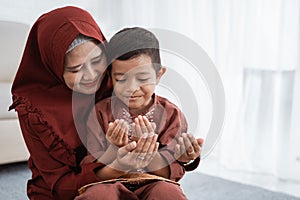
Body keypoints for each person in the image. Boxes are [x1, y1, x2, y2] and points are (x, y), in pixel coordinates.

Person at [9, 6, 202, 200]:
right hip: (69, 191)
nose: (92, 76)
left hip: (140, 182)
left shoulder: (118, 79)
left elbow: (169, 145)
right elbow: (62, 186)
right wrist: (116, 162)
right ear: (55, 67)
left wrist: (184, 157)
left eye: (97, 61)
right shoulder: (35, 111)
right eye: (76, 69)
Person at [78, 27, 203, 199]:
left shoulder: (171, 115)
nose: (131, 88)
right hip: (110, 183)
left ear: (159, 74)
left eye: (142, 79)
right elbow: (94, 173)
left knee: (168, 193)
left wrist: (148, 153)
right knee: (96, 196)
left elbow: (170, 173)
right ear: (110, 76)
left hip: (153, 182)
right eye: (121, 78)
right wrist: (114, 150)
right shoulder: (100, 113)